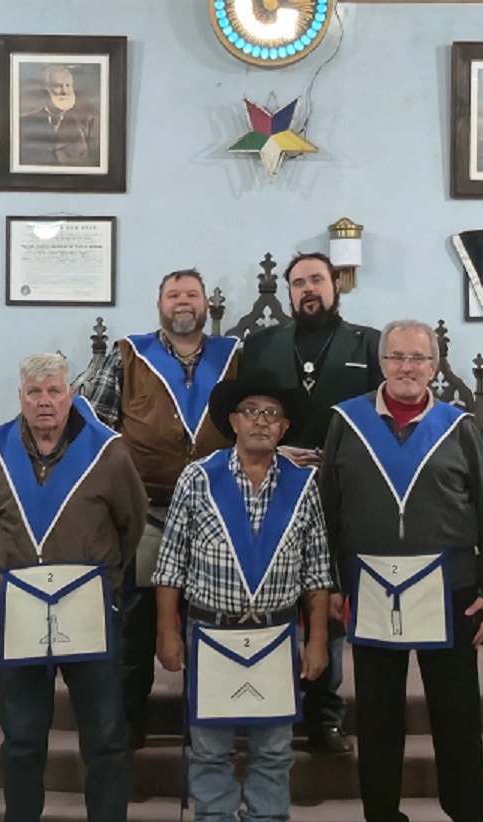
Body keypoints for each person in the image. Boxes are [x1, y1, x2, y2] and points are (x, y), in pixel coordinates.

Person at [318, 319, 483, 822]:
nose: (407, 367)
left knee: (457, 716)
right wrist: (331, 584)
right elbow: (326, 511)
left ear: (434, 366)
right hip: (371, 588)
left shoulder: (458, 426)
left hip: (451, 590)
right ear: (381, 363)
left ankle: (466, 815)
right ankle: (382, 815)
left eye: (418, 358)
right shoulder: (347, 422)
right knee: (378, 717)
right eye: (397, 357)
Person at [0, 353, 146, 822]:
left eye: (54, 391)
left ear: (71, 396)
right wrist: (13, 575)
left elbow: (131, 524)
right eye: (35, 392)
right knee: (22, 737)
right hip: (22, 610)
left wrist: (105, 579)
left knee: (105, 737)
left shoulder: (109, 453)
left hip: (90, 609)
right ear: (21, 398)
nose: (44, 401)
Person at [152, 376, 333, 822]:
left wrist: (317, 640)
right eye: (251, 411)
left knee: (273, 750)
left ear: (284, 428)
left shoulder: (303, 485)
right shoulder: (199, 478)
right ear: (233, 421)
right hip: (211, 633)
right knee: (210, 749)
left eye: (272, 414)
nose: (261, 421)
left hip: (275, 635)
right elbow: (170, 564)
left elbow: (317, 571)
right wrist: (167, 632)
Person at [82, 268, 239, 748]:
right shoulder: (128, 355)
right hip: (146, 511)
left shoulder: (235, 356)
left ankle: (206, 727)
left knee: (210, 619)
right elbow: (94, 429)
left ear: (206, 304)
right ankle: (128, 724)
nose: (183, 301)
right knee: (136, 622)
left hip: (217, 512)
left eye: (191, 293)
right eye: (173, 294)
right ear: (159, 304)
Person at [238, 251, 382, 754]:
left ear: (335, 285)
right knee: (268, 595)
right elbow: (244, 413)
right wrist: (275, 450)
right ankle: (259, 703)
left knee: (328, 600)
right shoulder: (261, 345)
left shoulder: (368, 344)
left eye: (316, 280)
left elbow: (379, 420)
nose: (308, 290)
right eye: (298, 283)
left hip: (339, 494)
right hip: (271, 487)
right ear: (289, 292)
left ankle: (324, 716)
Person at [19, 64, 100, 167]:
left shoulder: (89, 120)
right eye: (58, 86)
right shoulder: (26, 122)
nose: (64, 91)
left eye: (68, 85)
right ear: (45, 89)